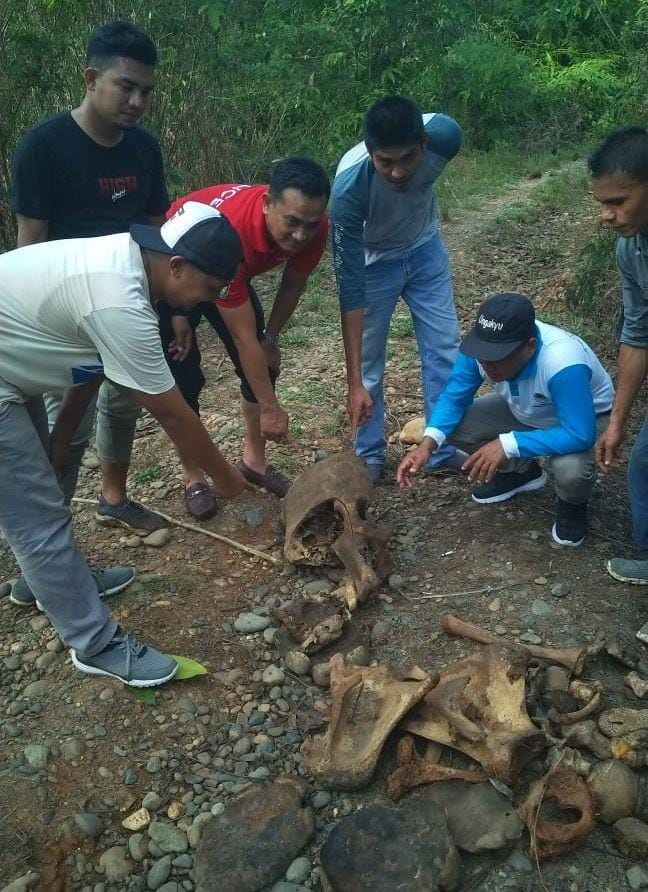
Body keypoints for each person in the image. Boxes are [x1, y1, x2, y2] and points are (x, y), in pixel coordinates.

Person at [0, 201, 247, 685]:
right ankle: (94, 644)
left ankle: (43, 584)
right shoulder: (120, 300)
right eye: (209, 289)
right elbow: (174, 414)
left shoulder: (131, 264)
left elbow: (90, 363)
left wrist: (62, 437)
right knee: (38, 520)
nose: (207, 301)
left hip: (11, 364)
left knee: (46, 488)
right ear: (176, 265)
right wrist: (227, 477)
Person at [10, 20, 171, 548]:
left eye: (145, 90)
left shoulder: (144, 150)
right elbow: (29, 248)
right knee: (64, 434)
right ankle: (50, 543)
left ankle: (113, 497)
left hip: (127, 310)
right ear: (90, 78)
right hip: (65, 324)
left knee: (125, 404)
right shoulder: (45, 147)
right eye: (126, 86)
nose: (137, 101)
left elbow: (156, 237)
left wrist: (170, 314)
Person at [158, 157, 330, 518]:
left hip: (227, 273)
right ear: (268, 203)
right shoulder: (233, 234)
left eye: (309, 225)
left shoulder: (316, 226)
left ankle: (254, 461)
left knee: (261, 366)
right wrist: (178, 311)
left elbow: (293, 282)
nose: (300, 235)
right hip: (178, 268)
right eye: (292, 222)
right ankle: (193, 475)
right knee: (184, 375)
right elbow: (241, 337)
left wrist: (272, 336)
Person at [397, 293, 614, 547]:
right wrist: (427, 446)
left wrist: (507, 444)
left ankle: (573, 505)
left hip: (585, 417)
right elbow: (454, 397)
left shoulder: (562, 362)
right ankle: (522, 472)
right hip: (524, 407)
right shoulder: (480, 349)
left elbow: (579, 433)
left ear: (530, 346)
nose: (487, 363)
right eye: (483, 354)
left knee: (571, 470)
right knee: (450, 425)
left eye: (498, 356)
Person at [330, 95, 464, 482]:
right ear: (370, 152)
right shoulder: (348, 191)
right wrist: (353, 379)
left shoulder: (445, 137)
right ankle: (369, 455)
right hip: (374, 265)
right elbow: (350, 288)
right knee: (368, 366)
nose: (397, 172)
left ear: (423, 143)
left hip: (425, 251)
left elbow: (438, 127)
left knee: (445, 350)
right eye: (384, 162)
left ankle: (441, 446)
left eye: (407, 158)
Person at [590, 127, 648, 603]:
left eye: (619, 201)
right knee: (643, 464)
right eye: (602, 203)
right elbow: (637, 333)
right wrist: (618, 420)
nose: (607, 215)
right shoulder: (631, 249)